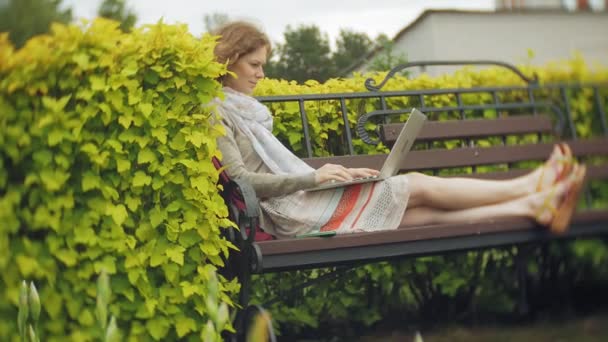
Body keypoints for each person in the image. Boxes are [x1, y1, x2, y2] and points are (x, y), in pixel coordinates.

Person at [212, 21, 587, 239]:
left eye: (262, 65)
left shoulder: (245, 110)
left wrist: (336, 177)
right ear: (229, 61)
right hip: (289, 212)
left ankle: (532, 205)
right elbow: (244, 179)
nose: (262, 74)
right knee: (418, 185)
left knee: (413, 216)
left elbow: (279, 168)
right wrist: (314, 178)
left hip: (301, 200)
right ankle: (528, 185)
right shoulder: (217, 112)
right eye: (254, 65)